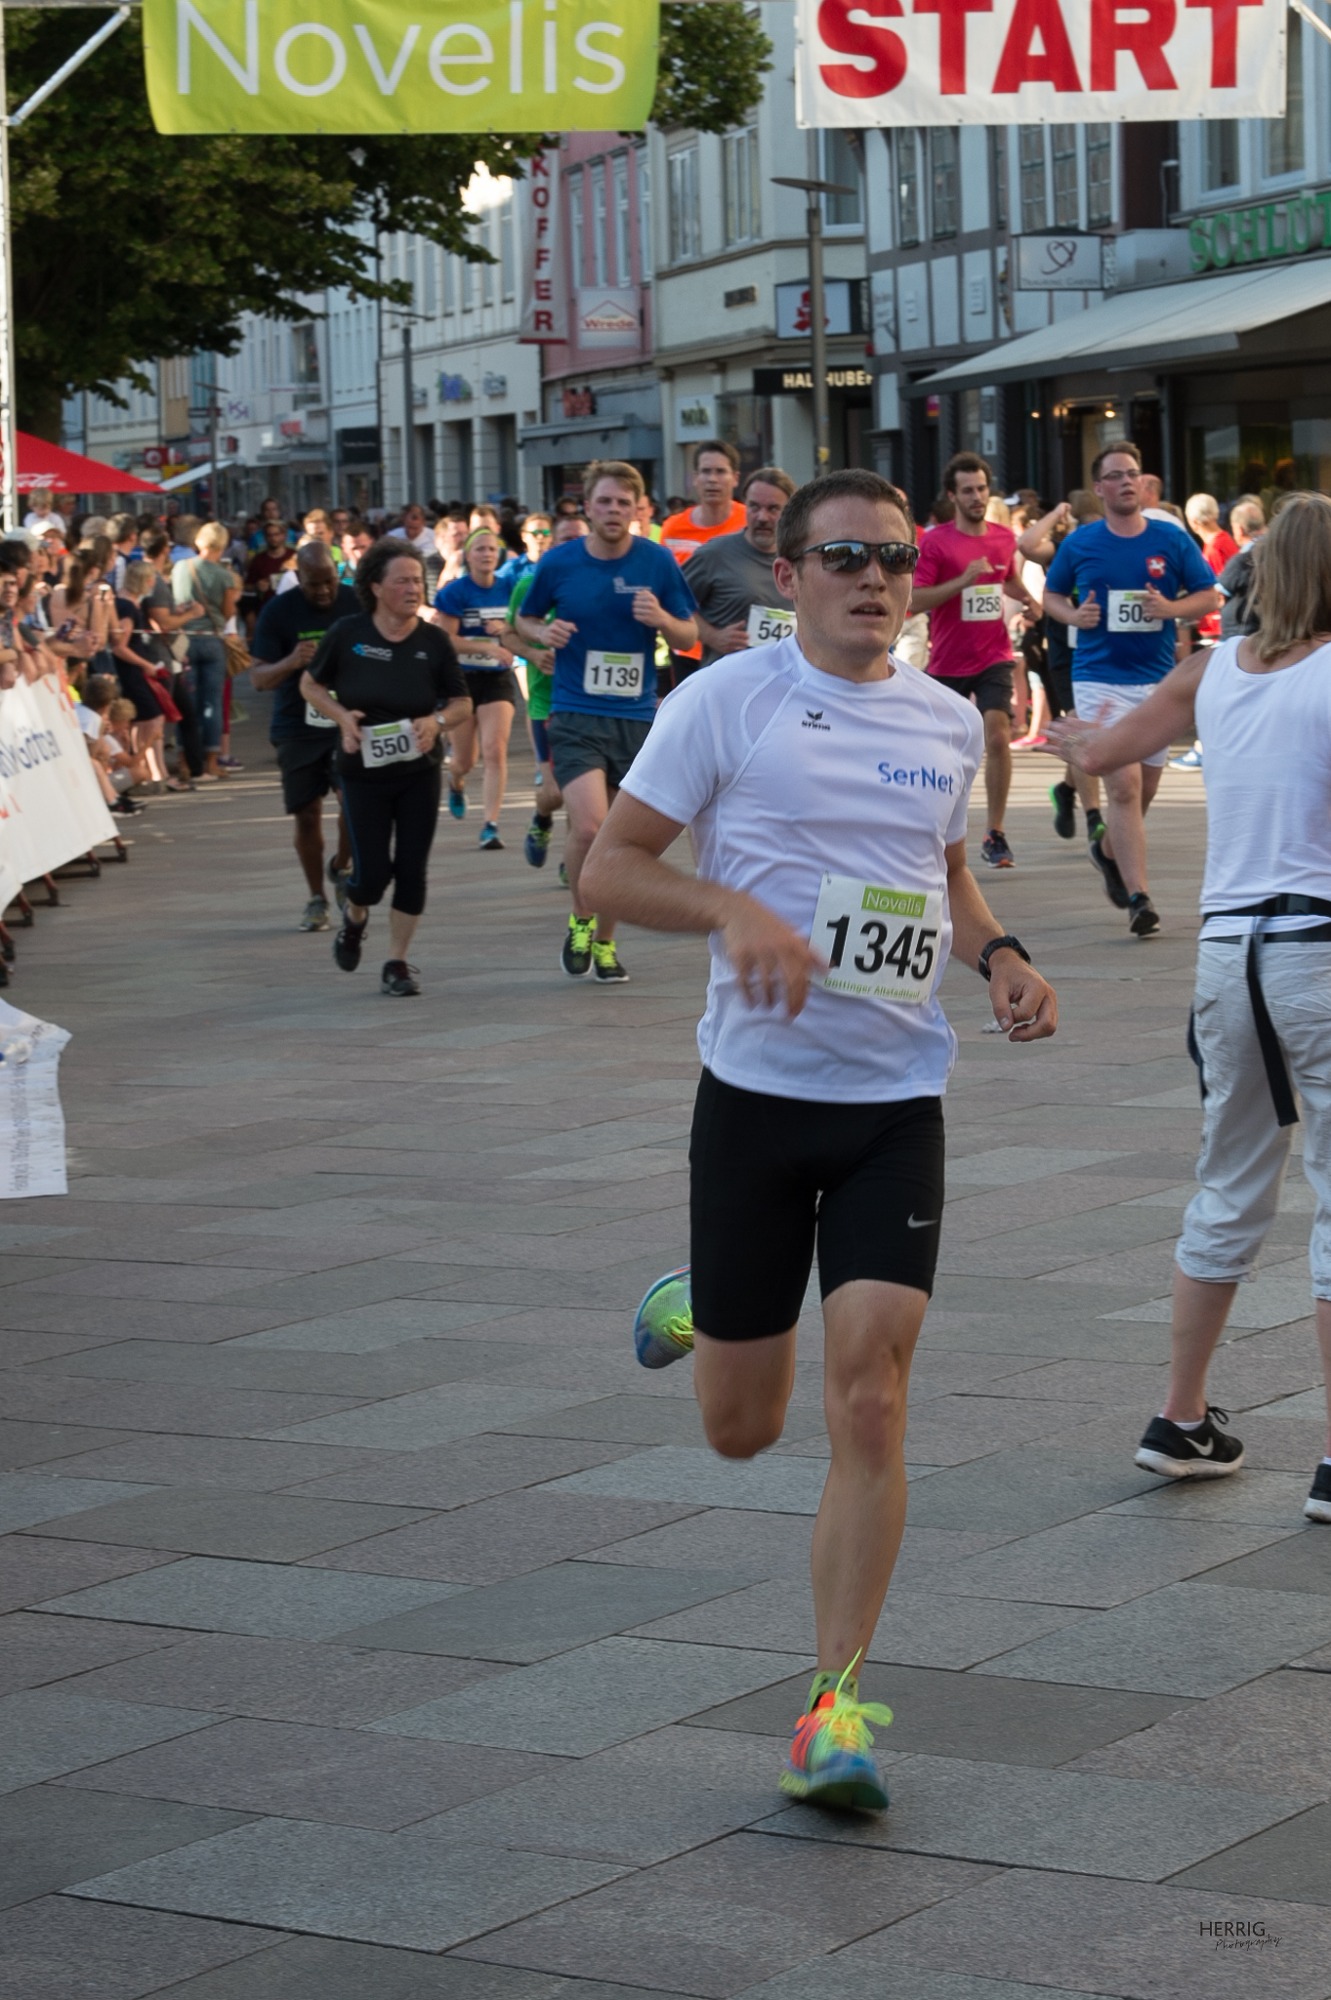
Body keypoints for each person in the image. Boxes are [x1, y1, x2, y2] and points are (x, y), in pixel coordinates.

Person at [581, 468, 1057, 1810]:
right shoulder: (724, 702)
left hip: (893, 1106)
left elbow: (941, 879)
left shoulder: (944, 720)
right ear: (785, 576)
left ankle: (831, 1712)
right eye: (843, 557)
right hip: (753, 1100)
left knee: (870, 1394)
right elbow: (605, 870)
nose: (874, 579)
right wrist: (730, 911)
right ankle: (707, 1300)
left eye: (894, 558)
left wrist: (1000, 956)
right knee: (742, 1428)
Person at [1043, 491, 1331, 1527]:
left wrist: (1069, 734)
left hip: (1226, 957)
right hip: (1317, 947)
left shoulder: (1211, 672)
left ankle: (1179, 1417)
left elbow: (1097, 756)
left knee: (1228, 1182)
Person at [514, 459, 698, 983]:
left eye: (623, 503)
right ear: (588, 507)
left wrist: (661, 620)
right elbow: (525, 618)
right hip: (575, 712)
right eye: (604, 501)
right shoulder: (560, 562)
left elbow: (689, 635)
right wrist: (541, 634)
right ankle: (581, 918)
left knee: (618, 840)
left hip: (635, 718)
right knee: (591, 826)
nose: (613, 511)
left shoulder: (656, 562)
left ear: (638, 511)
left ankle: (607, 942)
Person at [1042, 443, 1219, 937]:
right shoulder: (1081, 542)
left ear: (1142, 483)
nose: (1126, 481)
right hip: (1099, 678)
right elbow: (1050, 594)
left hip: (1157, 681)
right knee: (1123, 786)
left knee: (1146, 790)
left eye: (1133, 474)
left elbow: (1209, 594)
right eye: (1116, 475)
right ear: (1099, 488)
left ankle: (1107, 851)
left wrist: (1171, 609)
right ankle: (1140, 898)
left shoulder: (1170, 538)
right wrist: (1073, 615)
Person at [300, 539, 471, 997]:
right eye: (402, 581)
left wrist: (436, 722)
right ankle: (355, 917)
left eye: (418, 581)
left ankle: (397, 962)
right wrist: (342, 717)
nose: (413, 589)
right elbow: (310, 685)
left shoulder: (433, 641)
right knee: (372, 876)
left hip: (418, 771)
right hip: (362, 772)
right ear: (376, 587)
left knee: (412, 869)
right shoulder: (348, 633)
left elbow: (462, 703)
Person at [910, 452, 1040, 870]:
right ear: (952, 496)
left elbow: (1007, 579)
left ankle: (995, 833)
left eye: (981, 489)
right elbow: (915, 600)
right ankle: (935, 828)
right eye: (967, 491)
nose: (977, 497)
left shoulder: (1002, 537)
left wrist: (1030, 600)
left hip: (993, 655)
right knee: (941, 752)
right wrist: (962, 580)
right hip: (947, 662)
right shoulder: (936, 542)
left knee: (998, 735)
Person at [250, 544, 359, 930]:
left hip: (347, 720)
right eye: (315, 584)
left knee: (354, 802)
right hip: (297, 726)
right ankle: (316, 898)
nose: (325, 591)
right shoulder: (278, 612)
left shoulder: (356, 602)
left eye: (330, 581)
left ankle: (342, 866)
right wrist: (292, 661)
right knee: (307, 814)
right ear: (298, 578)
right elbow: (259, 678)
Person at [432, 529, 521, 849]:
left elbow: (523, 625)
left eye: (492, 549)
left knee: (495, 749)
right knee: (465, 761)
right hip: (462, 680)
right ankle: (455, 780)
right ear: (467, 556)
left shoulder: (510, 587)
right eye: (480, 549)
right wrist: (486, 647)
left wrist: (506, 630)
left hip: (497, 678)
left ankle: (490, 825)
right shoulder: (456, 592)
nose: (486, 554)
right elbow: (446, 640)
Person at [511, 513, 586, 869]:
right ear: (553, 545)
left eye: (580, 539)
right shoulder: (531, 584)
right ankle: (542, 817)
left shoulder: (601, 584)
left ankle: (573, 861)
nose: (574, 546)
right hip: (546, 702)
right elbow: (507, 635)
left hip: (588, 702)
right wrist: (534, 653)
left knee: (582, 793)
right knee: (555, 792)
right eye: (566, 539)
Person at [683, 467, 797, 666]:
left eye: (773, 509)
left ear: (789, 512)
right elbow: (674, 603)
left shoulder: (802, 558)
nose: (762, 517)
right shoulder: (714, 554)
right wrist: (712, 636)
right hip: (728, 679)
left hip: (787, 678)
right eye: (754, 507)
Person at [660, 440, 748, 684]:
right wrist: (711, 636)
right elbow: (668, 594)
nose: (712, 479)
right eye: (706, 472)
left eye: (720, 471)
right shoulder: (673, 529)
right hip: (687, 652)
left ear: (735, 478)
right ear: (695, 478)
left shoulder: (749, 522)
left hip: (738, 651)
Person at [173, 521, 241, 781]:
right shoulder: (224, 575)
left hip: (185, 641)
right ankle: (211, 762)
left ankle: (185, 761)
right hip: (213, 640)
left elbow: (176, 601)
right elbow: (227, 612)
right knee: (212, 703)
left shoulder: (180, 567)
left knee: (186, 703)